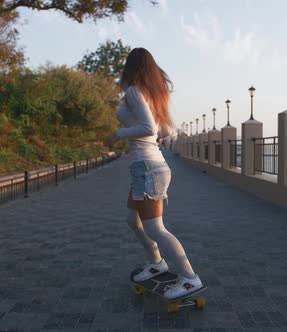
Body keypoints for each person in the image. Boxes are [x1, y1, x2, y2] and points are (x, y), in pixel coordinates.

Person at [106, 48, 203, 300]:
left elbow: (149, 128)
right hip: (144, 167)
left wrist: (119, 133)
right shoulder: (148, 94)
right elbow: (164, 131)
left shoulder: (135, 91)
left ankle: (190, 278)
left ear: (131, 66)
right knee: (132, 219)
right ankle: (157, 262)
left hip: (148, 168)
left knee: (157, 229)